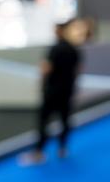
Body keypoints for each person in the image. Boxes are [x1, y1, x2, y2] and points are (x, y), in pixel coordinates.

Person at [20, 20, 82, 165]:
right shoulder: (73, 49)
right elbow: (78, 69)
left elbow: (46, 69)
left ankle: (39, 152)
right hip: (67, 90)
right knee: (65, 119)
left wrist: (41, 84)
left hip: (52, 91)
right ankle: (62, 148)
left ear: (60, 31)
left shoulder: (55, 49)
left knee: (44, 121)